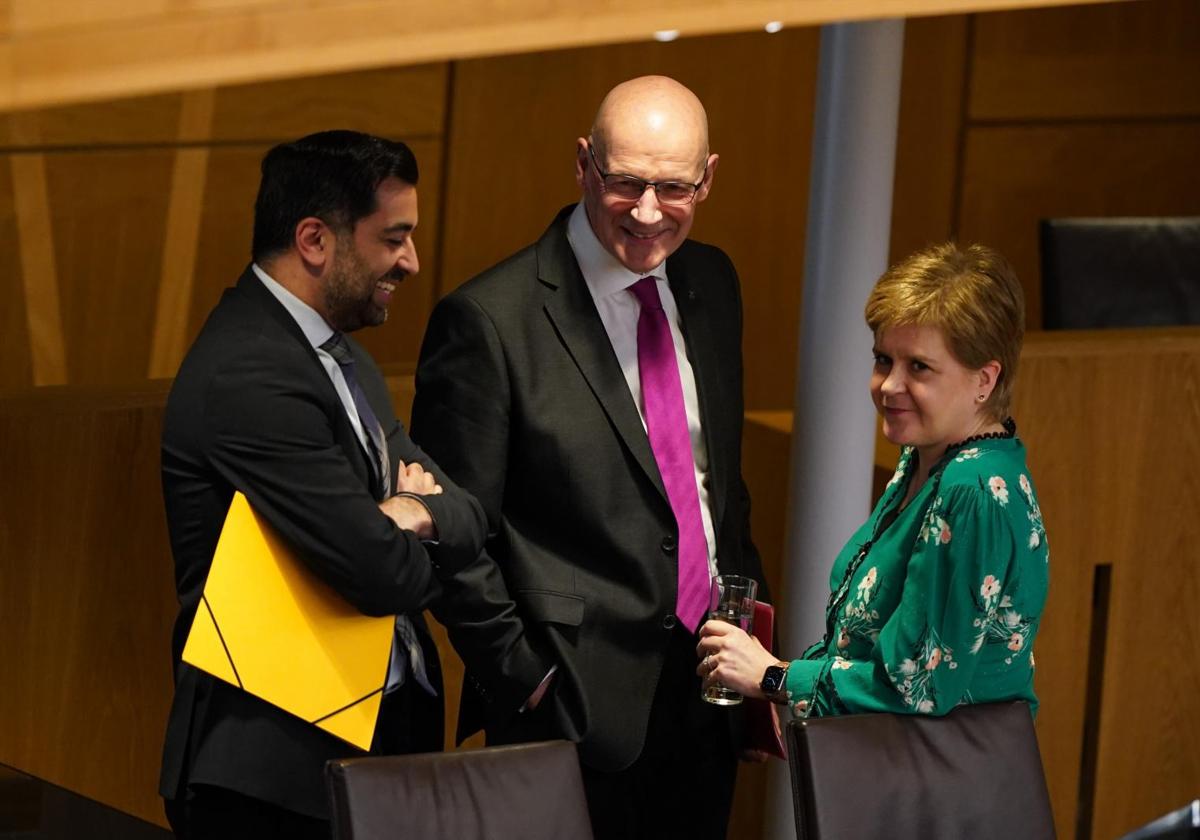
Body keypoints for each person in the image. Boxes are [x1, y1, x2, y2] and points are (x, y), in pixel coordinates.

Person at [410, 76, 767, 839]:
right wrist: (530, 682)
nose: (647, 212)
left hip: (708, 694)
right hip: (566, 709)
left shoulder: (714, 281)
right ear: (583, 165)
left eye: (672, 188)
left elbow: (719, 488)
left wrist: (752, 640)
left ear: (708, 178)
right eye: (626, 182)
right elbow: (453, 537)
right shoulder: (487, 321)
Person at [159, 130, 487, 839]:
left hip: (367, 753)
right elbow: (380, 573)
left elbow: (463, 513)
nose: (411, 261)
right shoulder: (251, 372)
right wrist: (400, 516)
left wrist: (413, 513)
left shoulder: (343, 358)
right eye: (393, 237)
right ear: (314, 239)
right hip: (273, 780)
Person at [697, 243, 1048, 721]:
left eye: (918, 367)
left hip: (933, 788)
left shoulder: (973, 488)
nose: (888, 386)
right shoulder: (926, 458)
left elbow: (917, 685)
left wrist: (775, 676)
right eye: (883, 360)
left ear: (984, 379)